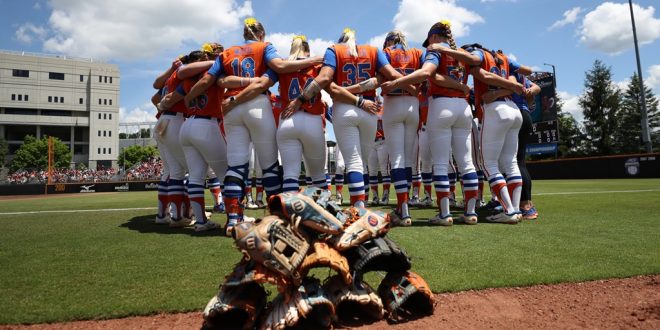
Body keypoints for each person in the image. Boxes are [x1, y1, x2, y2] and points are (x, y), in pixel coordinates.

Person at [183, 17, 321, 234]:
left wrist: (189, 98)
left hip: (231, 108)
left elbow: (207, 81)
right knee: (268, 166)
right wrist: (315, 59)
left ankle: (233, 219)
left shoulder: (226, 53)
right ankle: (275, 218)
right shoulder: (264, 47)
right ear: (261, 34)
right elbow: (279, 67)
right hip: (257, 105)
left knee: (236, 166)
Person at [284, 28, 408, 210]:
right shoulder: (373, 50)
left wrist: (301, 99)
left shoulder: (334, 50)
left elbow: (325, 79)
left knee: (354, 163)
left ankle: (358, 209)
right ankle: (372, 207)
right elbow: (391, 75)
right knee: (362, 163)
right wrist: (412, 89)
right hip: (369, 108)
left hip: (344, 108)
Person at [382, 20, 481, 226]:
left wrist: (397, 82)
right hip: (462, 108)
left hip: (438, 105)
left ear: (434, 37)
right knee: (466, 161)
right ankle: (471, 212)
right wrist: (461, 87)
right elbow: (474, 62)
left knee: (437, 163)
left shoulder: (432, 50)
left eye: (430, 39)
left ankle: (440, 213)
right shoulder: (461, 53)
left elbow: (429, 74)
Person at [464, 43, 527, 224]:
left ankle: (508, 210)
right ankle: (515, 209)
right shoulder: (503, 59)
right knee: (510, 163)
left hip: (496, 110)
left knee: (488, 164)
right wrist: (505, 88)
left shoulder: (478, 57)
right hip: (514, 109)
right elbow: (517, 83)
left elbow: (481, 74)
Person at [481, 56, 540, 220]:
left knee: (513, 161)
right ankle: (510, 203)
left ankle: (525, 205)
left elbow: (518, 87)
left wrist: (498, 93)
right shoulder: (517, 72)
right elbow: (535, 87)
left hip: (511, 110)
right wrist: (529, 91)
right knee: (510, 162)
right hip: (521, 114)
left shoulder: (509, 71)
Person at [277, 35, 329, 193]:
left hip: (287, 119)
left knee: (290, 174)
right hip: (311, 119)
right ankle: (320, 214)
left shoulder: (282, 64)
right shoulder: (317, 64)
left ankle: (290, 215)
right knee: (318, 175)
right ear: (308, 49)